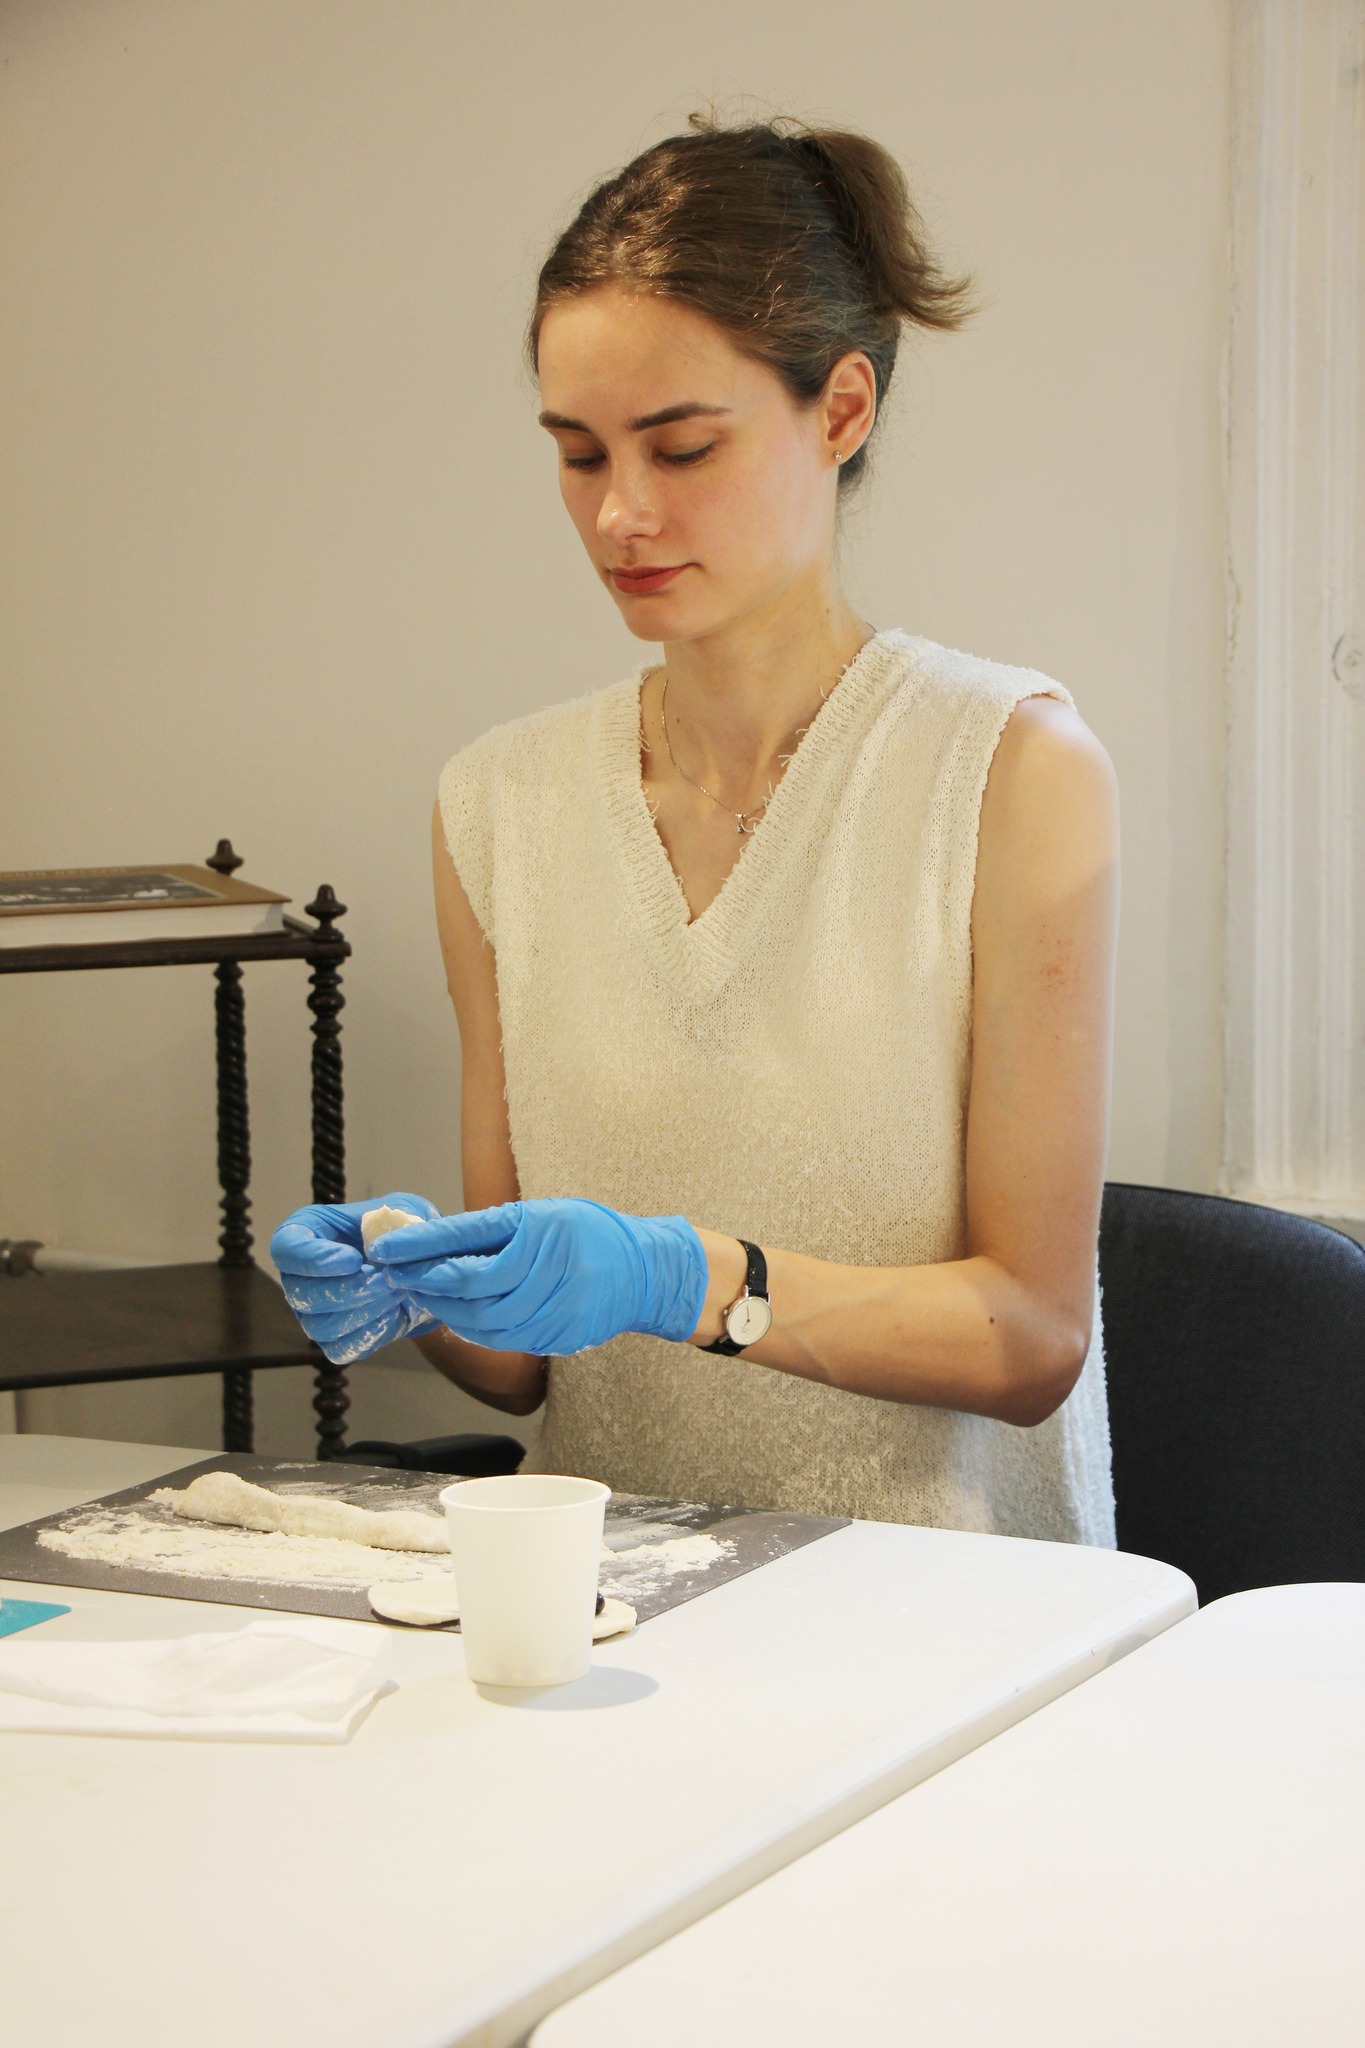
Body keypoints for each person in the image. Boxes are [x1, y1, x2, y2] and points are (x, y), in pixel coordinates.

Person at [272, 117, 1118, 1543]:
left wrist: (686, 1281)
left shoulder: (1010, 770)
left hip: (940, 1612)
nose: (620, 514)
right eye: (577, 454)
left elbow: (1029, 1340)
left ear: (839, 410)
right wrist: (413, 1279)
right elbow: (525, 1374)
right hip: (614, 1602)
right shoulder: (498, 806)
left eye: (680, 448)